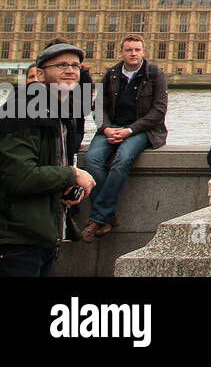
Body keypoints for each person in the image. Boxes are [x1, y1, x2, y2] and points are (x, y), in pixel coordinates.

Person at [0, 43, 98, 277]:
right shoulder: (21, 110)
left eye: (75, 65)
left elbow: (45, 166)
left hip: (42, 235)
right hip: (16, 239)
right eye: (61, 65)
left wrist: (64, 188)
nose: (70, 70)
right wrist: (73, 175)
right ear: (41, 74)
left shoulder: (59, 113)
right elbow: (20, 177)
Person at [82, 35, 168, 242]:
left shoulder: (155, 74)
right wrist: (106, 128)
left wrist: (129, 131)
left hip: (141, 131)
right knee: (91, 160)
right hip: (111, 128)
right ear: (121, 52)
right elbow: (98, 107)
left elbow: (158, 111)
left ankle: (97, 217)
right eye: (129, 50)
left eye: (137, 50)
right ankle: (107, 215)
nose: (133, 53)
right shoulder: (110, 74)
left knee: (122, 160)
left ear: (143, 52)